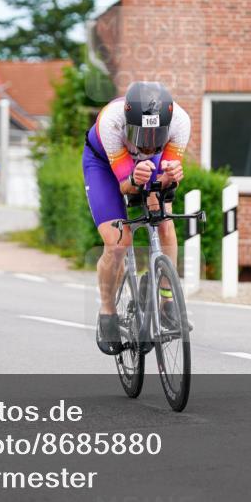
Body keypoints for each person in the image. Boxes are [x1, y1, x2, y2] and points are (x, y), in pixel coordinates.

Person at [83, 81, 191, 355]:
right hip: (104, 165)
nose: (147, 143)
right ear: (128, 123)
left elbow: (167, 177)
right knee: (118, 242)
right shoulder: (111, 122)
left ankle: (167, 300)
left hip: (150, 167)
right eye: (140, 134)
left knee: (164, 223)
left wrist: (169, 178)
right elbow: (125, 187)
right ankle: (107, 310)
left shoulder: (180, 122)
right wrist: (132, 178)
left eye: (157, 136)